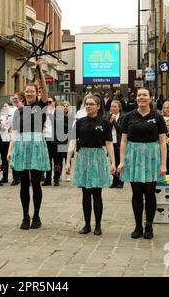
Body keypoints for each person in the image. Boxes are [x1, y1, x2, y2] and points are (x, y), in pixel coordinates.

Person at [117, 87, 167, 240]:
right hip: (134, 156)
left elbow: (163, 141)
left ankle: (149, 225)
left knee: (150, 192)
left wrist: (163, 164)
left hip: (152, 156)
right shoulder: (128, 116)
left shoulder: (157, 117)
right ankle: (138, 225)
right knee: (137, 192)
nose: (141, 97)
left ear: (150, 98)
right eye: (139, 95)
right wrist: (121, 161)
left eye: (144, 95)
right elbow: (124, 140)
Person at [8, 58, 50, 230]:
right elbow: (14, 132)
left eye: (33, 91)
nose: (30, 93)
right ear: (25, 94)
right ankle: (25, 216)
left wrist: (39, 70)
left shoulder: (41, 106)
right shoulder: (19, 111)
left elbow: (46, 92)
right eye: (27, 91)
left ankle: (37, 216)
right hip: (22, 145)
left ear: (37, 93)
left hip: (37, 145)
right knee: (24, 183)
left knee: (36, 182)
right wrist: (10, 150)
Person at [66, 94, 116, 236]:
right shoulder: (79, 122)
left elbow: (108, 143)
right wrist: (68, 160)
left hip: (98, 157)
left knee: (97, 193)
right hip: (83, 156)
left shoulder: (105, 123)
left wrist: (113, 162)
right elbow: (73, 141)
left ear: (98, 106)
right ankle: (87, 224)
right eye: (86, 104)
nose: (88, 106)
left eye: (91, 104)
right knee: (85, 193)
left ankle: (98, 225)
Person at [9, 92, 25, 186]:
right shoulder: (15, 110)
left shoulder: (23, 109)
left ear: (22, 99)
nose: (14, 100)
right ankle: (16, 178)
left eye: (16, 98)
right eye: (13, 98)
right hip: (15, 137)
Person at [108, 100, 125, 188]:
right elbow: (107, 129)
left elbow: (121, 129)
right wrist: (110, 122)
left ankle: (120, 181)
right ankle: (114, 181)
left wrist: (114, 121)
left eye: (115, 106)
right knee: (112, 162)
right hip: (111, 142)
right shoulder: (109, 116)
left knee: (119, 162)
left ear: (119, 108)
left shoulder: (123, 117)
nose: (113, 108)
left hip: (119, 142)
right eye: (112, 106)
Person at [0, 102, 13, 184]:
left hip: (12, 139)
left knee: (13, 159)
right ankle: (4, 177)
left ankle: (16, 178)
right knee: (3, 160)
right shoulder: (1, 117)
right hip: (3, 140)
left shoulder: (14, 116)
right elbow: (0, 126)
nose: (5, 108)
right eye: (3, 106)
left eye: (6, 106)